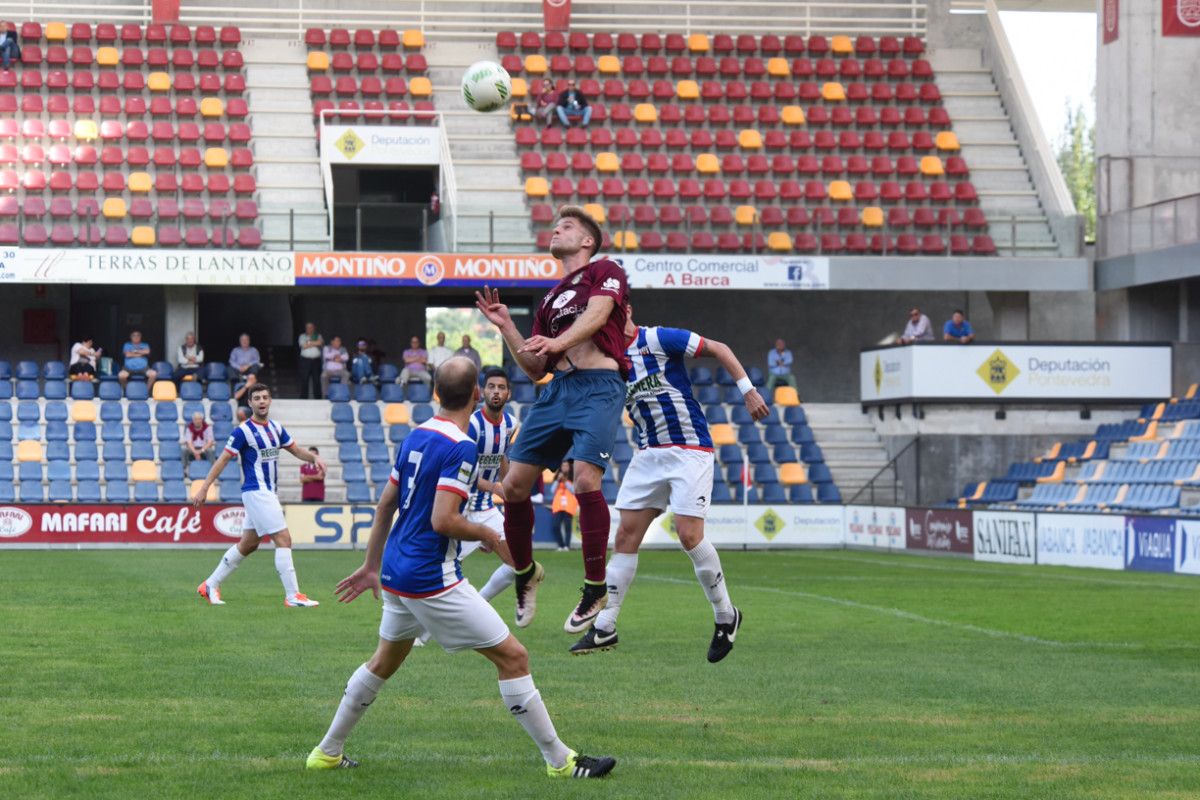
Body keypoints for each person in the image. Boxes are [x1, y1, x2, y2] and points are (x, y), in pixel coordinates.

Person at [305, 357, 616, 780]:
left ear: (435, 392)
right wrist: (489, 536)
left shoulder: (415, 436)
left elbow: (385, 506)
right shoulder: (461, 445)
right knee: (514, 657)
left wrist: (371, 565)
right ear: (475, 394)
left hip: (397, 569)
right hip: (430, 576)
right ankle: (561, 761)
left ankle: (326, 751)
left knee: (383, 662)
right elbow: (443, 520)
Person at [570, 304, 764, 661]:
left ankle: (726, 615)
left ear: (625, 309)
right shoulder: (609, 360)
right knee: (625, 536)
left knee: (690, 535)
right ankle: (605, 627)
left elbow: (719, 348)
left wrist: (747, 390)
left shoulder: (657, 338)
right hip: (648, 455)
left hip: (689, 449)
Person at [475, 205, 629, 632]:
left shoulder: (605, 270)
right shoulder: (549, 299)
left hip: (599, 386)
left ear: (586, 241)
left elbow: (597, 316)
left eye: (566, 226)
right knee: (514, 486)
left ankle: (596, 586)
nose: (555, 229)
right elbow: (535, 369)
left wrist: (556, 340)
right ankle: (526, 573)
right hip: (557, 390)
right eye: (556, 224)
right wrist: (507, 326)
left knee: (584, 479)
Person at [194, 383, 325, 607]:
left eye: (265, 397)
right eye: (257, 398)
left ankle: (210, 585)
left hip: (267, 492)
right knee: (284, 539)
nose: (262, 401)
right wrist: (205, 487)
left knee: (248, 544)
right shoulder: (243, 431)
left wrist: (314, 458)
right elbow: (223, 459)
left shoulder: (276, 428)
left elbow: (295, 450)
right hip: (257, 492)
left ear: (270, 400)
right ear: (250, 403)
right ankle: (293, 596)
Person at [550, 461, 578, 552]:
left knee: (567, 527)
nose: (564, 467)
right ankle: (561, 545)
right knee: (555, 526)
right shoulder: (557, 478)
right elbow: (552, 490)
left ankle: (567, 546)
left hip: (569, 506)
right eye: (563, 465)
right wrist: (558, 480)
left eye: (566, 466)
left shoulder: (573, 478)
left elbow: (573, 490)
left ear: (570, 468)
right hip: (558, 505)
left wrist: (565, 481)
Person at [297, 322, 324, 399]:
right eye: (308, 327)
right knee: (304, 379)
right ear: (306, 329)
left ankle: (318, 399)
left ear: (314, 328)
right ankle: (303, 398)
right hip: (305, 360)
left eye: (311, 327)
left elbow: (320, 343)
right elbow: (304, 346)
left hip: (316, 360)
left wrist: (309, 342)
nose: (309, 329)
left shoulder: (318, 336)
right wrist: (314, 343)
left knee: (316, 380)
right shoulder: (302, 336)